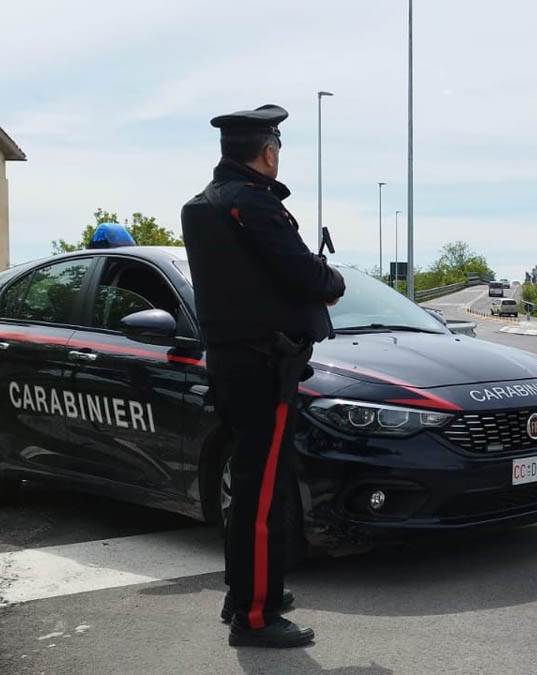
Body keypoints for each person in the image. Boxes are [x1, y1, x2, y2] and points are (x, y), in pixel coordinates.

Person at [181, 104, 345, 648]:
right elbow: (305, 275)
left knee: (253, 487)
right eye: (276, 147)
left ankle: (248, 592)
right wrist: (331, 275)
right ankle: (255, 615)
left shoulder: (205, 205)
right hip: (262, 366)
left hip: (233, 362)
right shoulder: (253, 204)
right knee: (261, 494)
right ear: (267, 151)